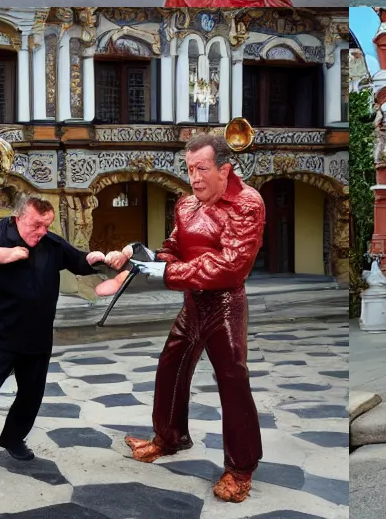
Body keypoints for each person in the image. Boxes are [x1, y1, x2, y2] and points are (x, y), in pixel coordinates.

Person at [115, 134, 266, 503]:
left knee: (232, 381)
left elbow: (230, 266)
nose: (194, 177)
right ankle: (169, 438)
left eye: (201, 169)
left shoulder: (247, 203)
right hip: (193, 304)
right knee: (171, 367)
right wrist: (142, 258)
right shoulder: (186, 206)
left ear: (224, 169)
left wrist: (167, 273)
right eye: (189, 169)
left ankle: (240, 468)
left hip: (225, 305)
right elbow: (172, 251)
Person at [0, 195, 109, 500]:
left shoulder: (50, 243)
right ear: (19, 218)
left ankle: (13, 438)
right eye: (36, 224)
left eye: (46, 224)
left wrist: (95, 258)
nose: (42, 231)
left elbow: (79, 261)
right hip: (2, 337)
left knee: (31, 395)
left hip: (38, 336)